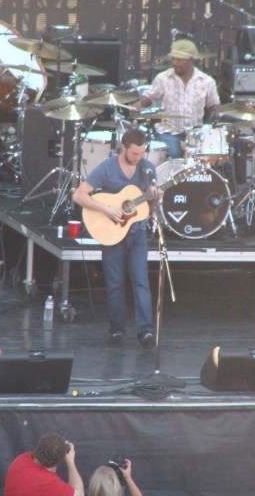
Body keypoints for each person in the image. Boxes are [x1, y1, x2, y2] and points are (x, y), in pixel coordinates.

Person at [72, 128, 156, 347]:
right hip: (112, 233)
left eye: (142, 154)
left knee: (141, 281)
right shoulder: (107, 168)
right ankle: (117, 330)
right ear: (124, 147)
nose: (139, 158)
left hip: (137, 233)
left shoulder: (148, 169)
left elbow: (148, 207)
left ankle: (146, 332)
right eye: (134, 154)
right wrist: (107, 210)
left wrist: (155, 197)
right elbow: (79, 195)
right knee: (115, 283)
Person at [133, 38, 219, 159]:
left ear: (191, 59)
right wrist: (140, 104)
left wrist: (209, 126)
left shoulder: (207, 81)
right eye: (173, 59)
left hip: (196, 132)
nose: (175, 62)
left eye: (179, 59)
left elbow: (213, 106)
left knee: (205, 157)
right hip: (169, 132)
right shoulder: (163, 78)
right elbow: (149, 97)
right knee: (173, 153)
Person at [3, 432, 84, 496]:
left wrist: (59, 449)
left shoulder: (21, 460)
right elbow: (80, 494)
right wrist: (71, 462)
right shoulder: (49, 482)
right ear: (60, 460)